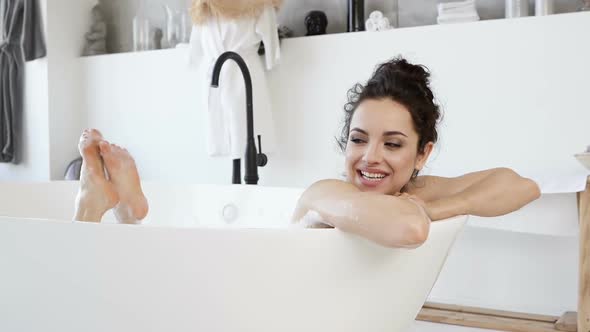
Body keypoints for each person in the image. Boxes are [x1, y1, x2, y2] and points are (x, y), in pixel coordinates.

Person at [73, 57, 541, 249]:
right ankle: (108, 214)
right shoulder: (327, 192)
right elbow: (411, 227)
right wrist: (422, 206)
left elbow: (520, 185)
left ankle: (129, 216)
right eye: (358, 139)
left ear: (423, 154)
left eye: (393, 144)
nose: (370, 157)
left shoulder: (416, 190)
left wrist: (443, 201)